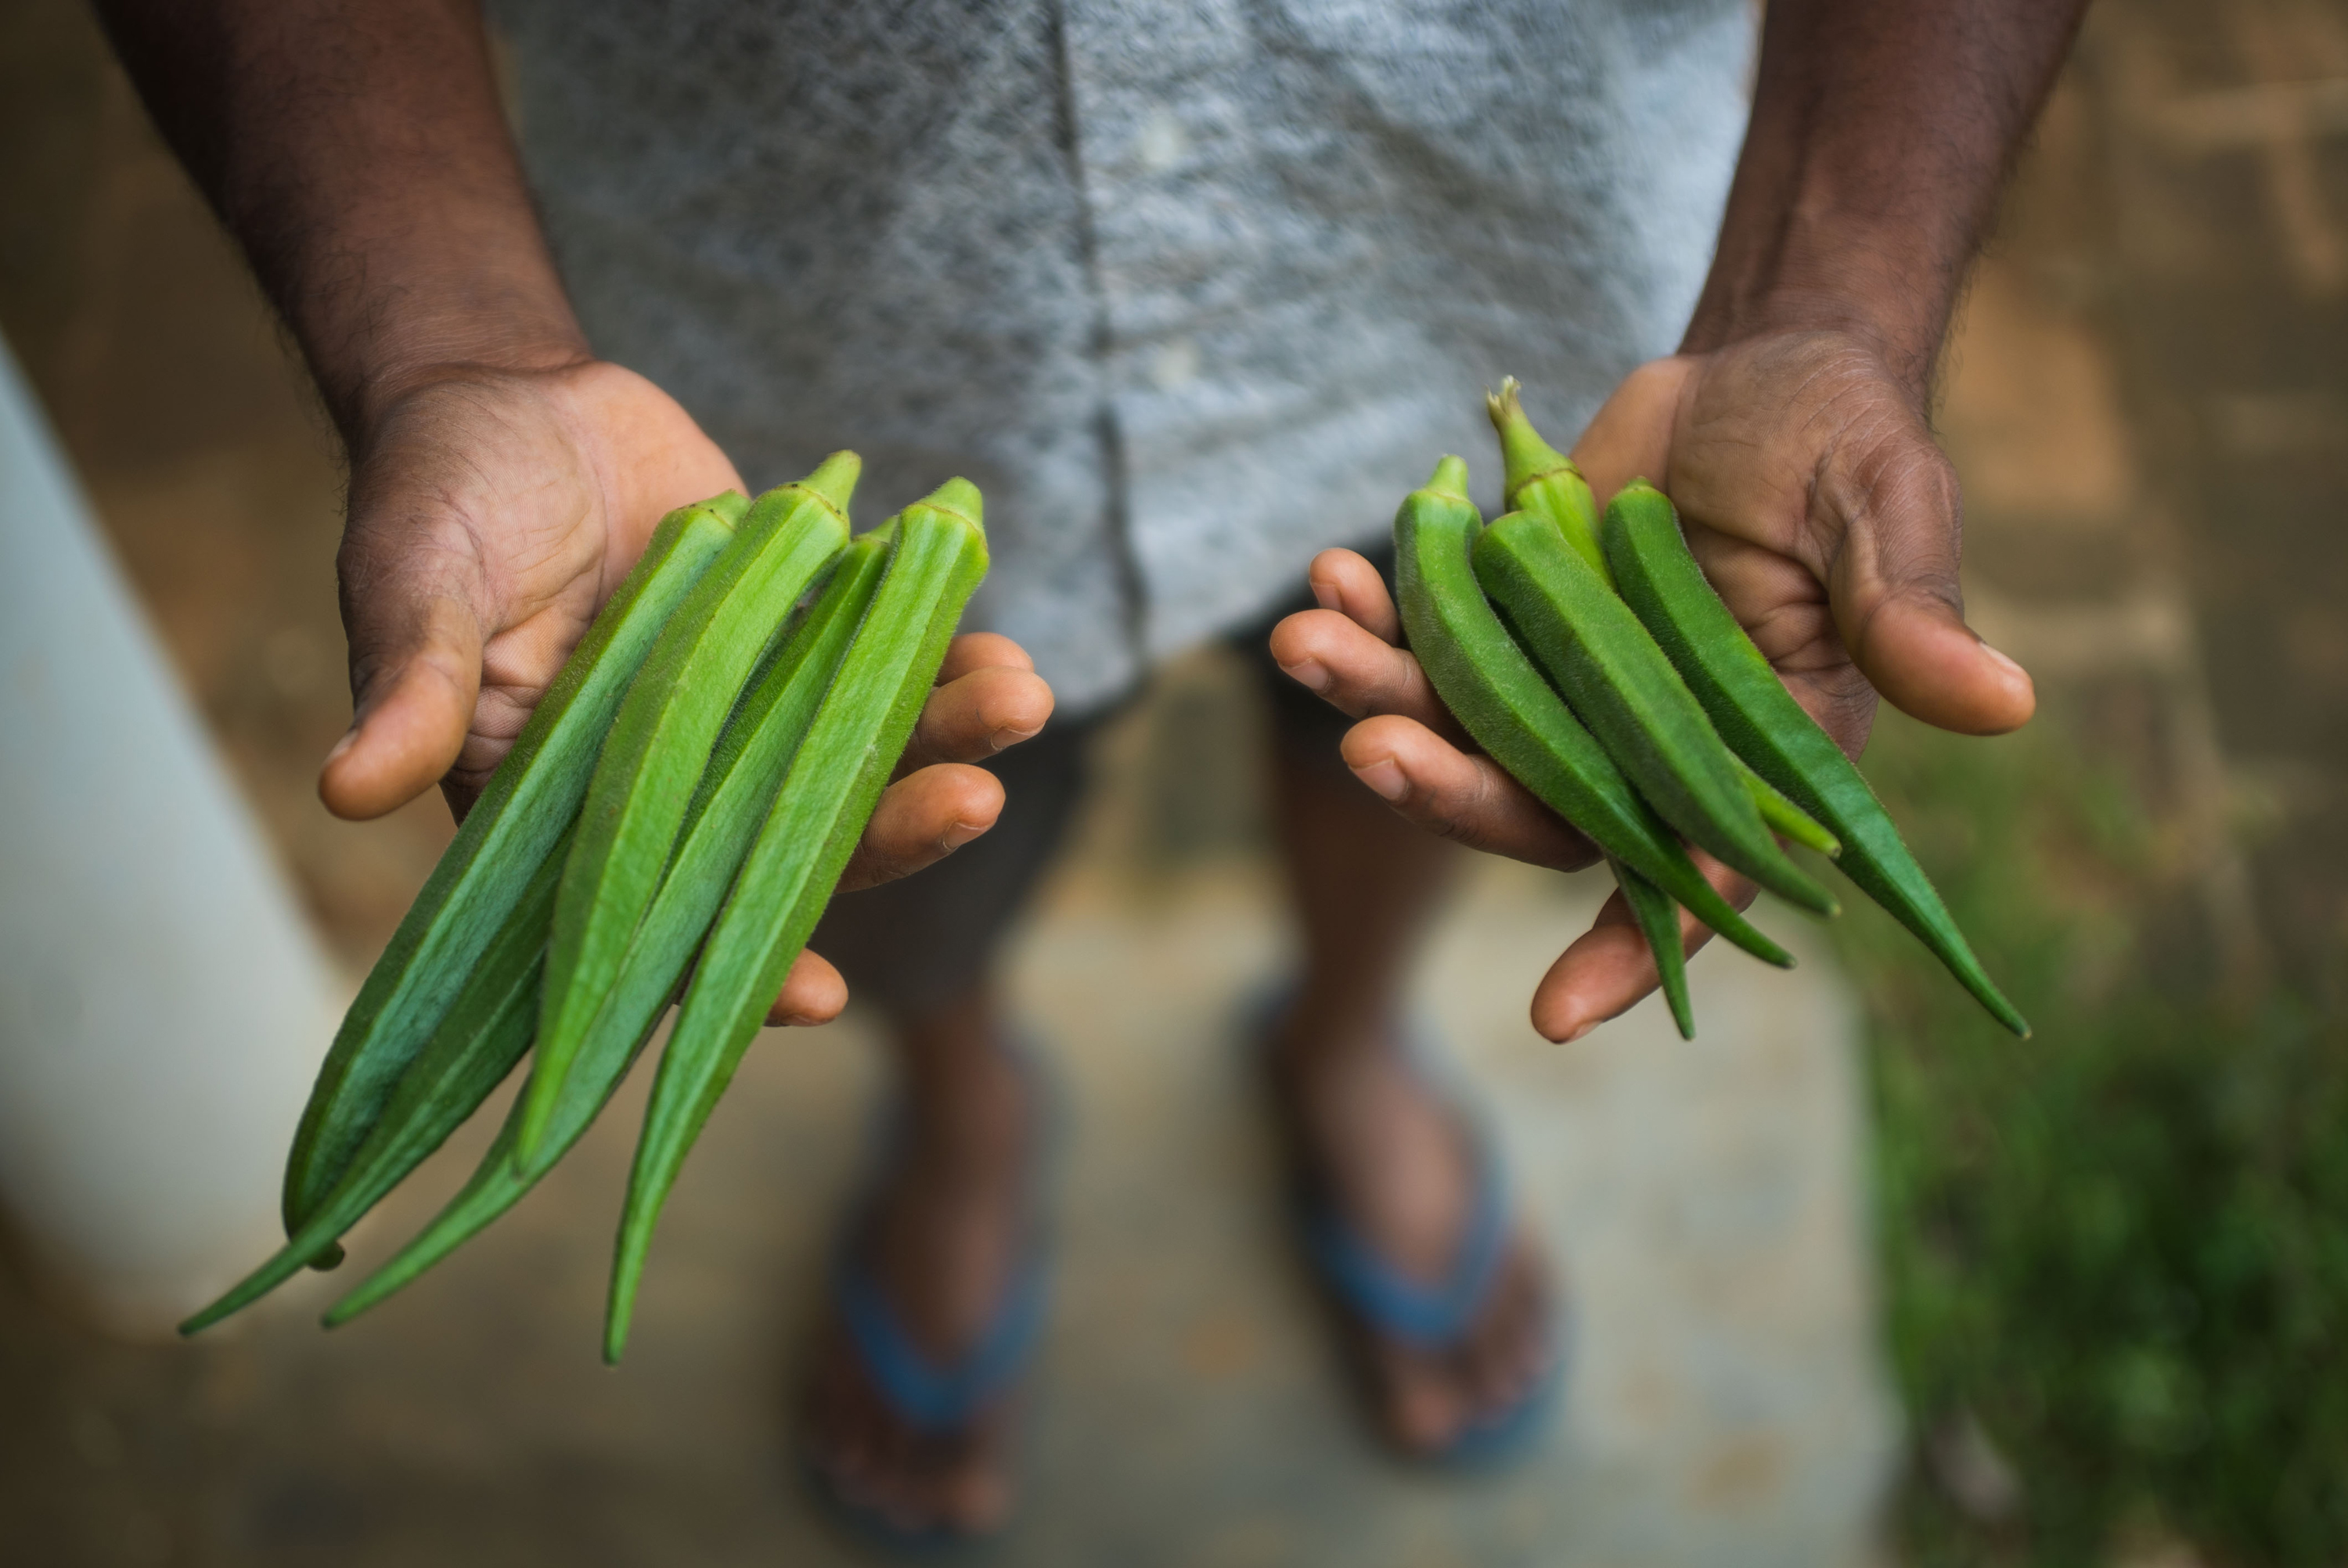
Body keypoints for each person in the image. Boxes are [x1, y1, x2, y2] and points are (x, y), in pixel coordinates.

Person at [100, 0, 2076, 1542]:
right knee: (913, 842)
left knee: (1408, 741)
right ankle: (964, 1114)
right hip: (776, 360)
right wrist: (458, 345)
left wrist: (1827, 294)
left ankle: (1344, 1037)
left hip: (1493, 285)